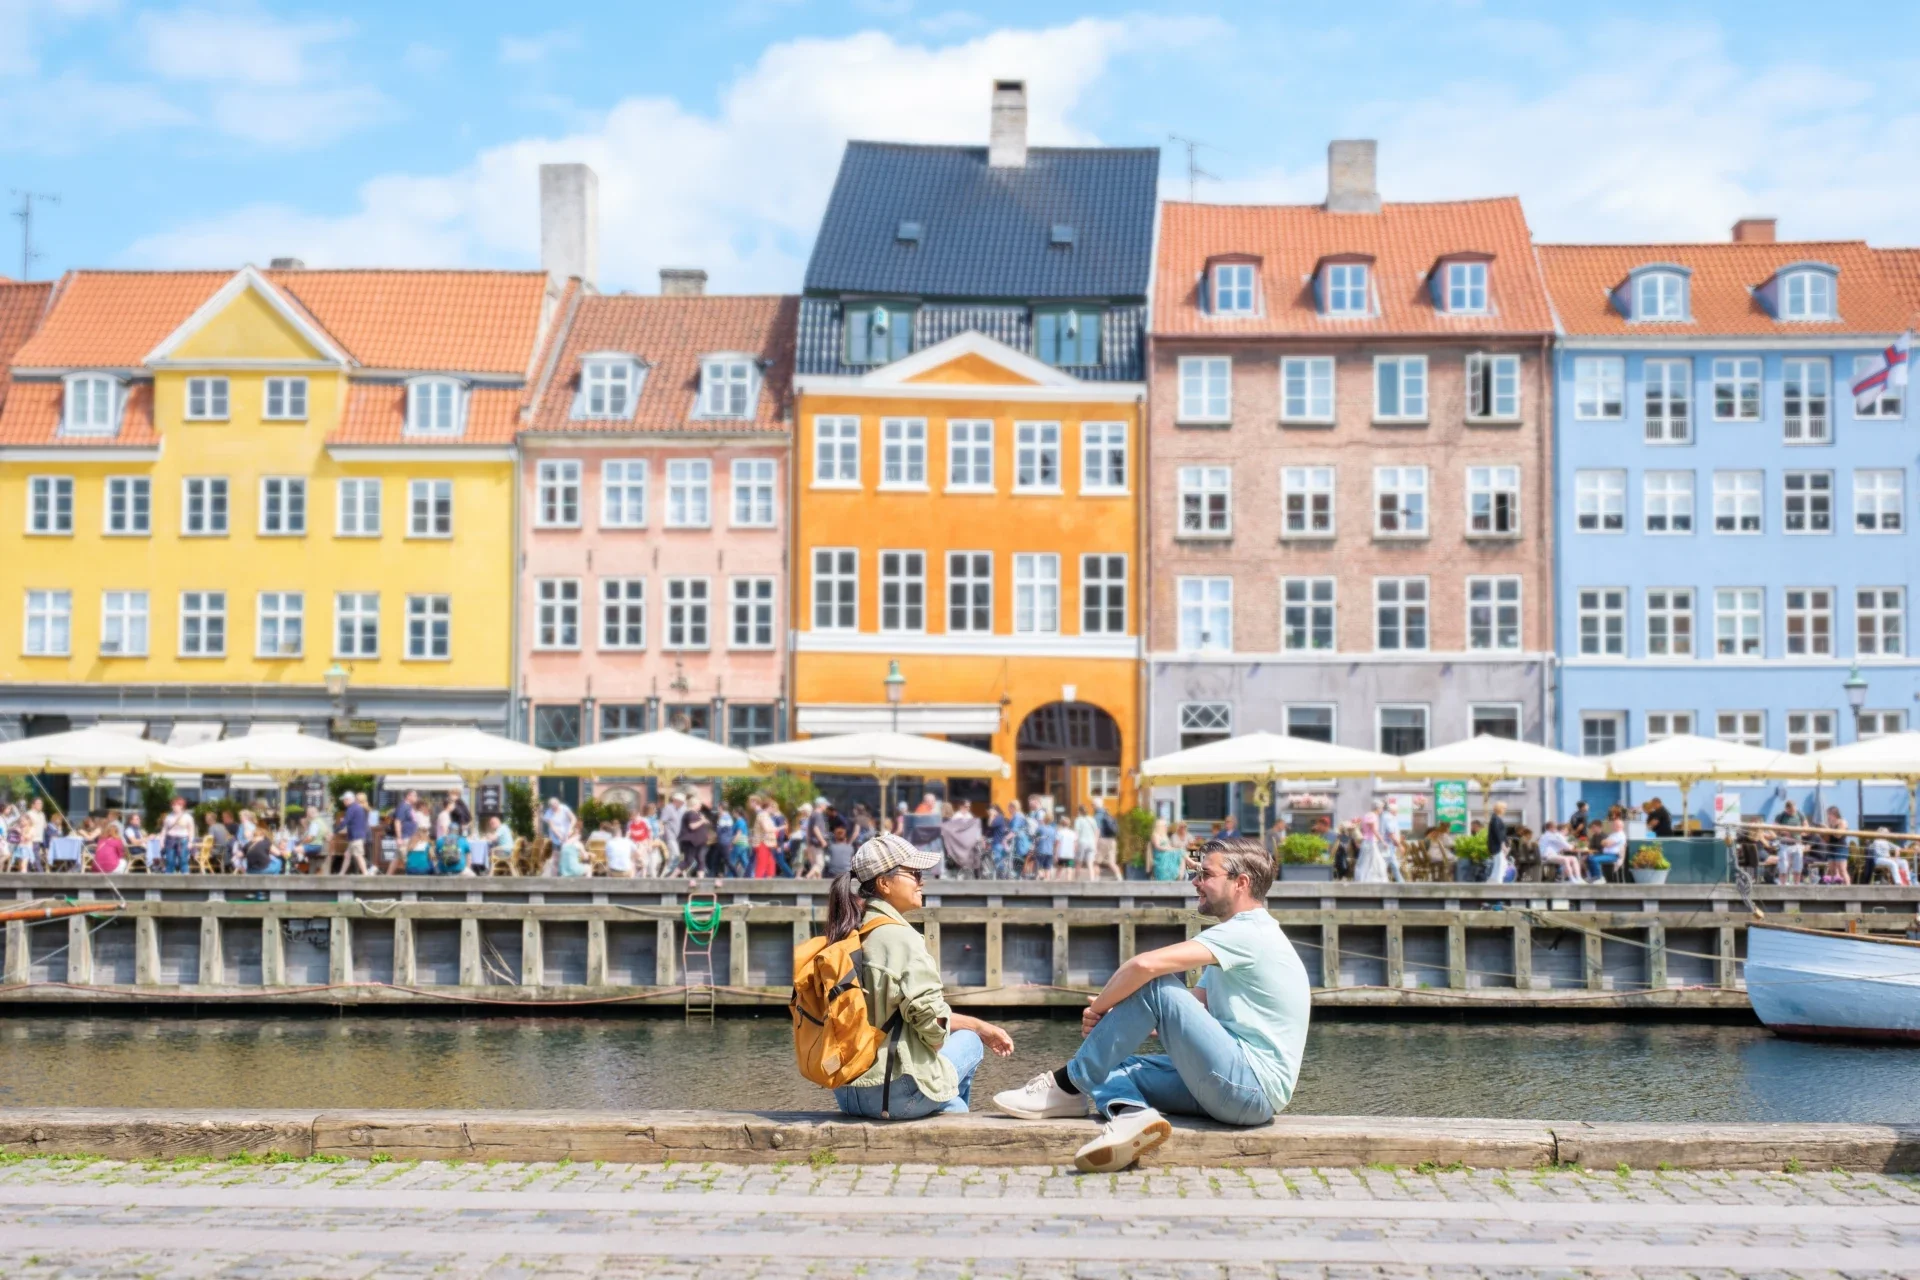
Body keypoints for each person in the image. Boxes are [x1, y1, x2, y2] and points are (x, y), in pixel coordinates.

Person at [993, 839, 1311, 1172]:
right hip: (1231, 1088)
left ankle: (1065, 1086)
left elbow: (1144, 966)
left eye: (1206, 874)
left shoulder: (1248, 932)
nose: (1196, 882)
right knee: (1110, 1062)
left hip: (1248, 1089)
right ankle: (1131, 1116)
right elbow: (1189, 1009)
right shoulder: (1240, 937)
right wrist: (1118, 1018)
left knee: (1156, 983)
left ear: (1241, 883)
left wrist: (1099, 1008)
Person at [822, 832, 1014, 1118]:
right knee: (970, 1043)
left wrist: (977, 1024)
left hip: (846, 1091)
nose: (922, 881)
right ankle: (949, 1108)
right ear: (884, 883)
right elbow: (933, 1023)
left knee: (955, 1099)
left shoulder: (847, 931)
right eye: (914, 874)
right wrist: (949, 1036)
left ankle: (951, 1108)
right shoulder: (901, 938)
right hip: (891, 1095)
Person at [160, 796, 196, 875]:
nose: (174, 807)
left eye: (176, 805)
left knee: (183, 861)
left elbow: (191, 830)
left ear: (181, 806)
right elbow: (164, 830)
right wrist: (161, 841)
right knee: (170, 861)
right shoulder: (168, 817)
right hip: (170, 840)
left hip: (183, 840)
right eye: (173, 805)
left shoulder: (188, 817)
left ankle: (186, 879)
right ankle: (168, 880)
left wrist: (190, 842)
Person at [339, 791, 371, 875]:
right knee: (347, 855)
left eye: (356, 799)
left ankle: (366, 874)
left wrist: (336, 830)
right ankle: (341, 873)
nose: (343, 802)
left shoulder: (354, 808)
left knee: (359, 855)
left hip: (356, 836)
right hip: (359, 835)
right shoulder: (362, 809)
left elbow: (347, 821)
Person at [1587, 818, 1628, 882]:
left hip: (1613, 856)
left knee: (1594, 859)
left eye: (1614, 825)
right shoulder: (1613, 834)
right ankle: (1593, 877)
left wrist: (1605, 842)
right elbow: (1602, 843)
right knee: (1589, 858)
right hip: (1606, 854)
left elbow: (1608, 843)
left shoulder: (1620, 835)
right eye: (1613, 824)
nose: (1612, 826)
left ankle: (1599, 878)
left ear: (1619, 826)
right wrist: (1605, 842)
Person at [1073, 806, 1102, 882]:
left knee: (1079, 862)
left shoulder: (1078, 820)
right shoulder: (1092, 819)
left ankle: (1076, 879)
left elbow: (1076, 833)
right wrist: (1095, 842)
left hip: (1082, 842)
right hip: (1092, 843)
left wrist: (1075, 844)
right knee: (1090, 863)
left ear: (1079, 811)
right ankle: (1092, 879)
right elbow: (1097, 831)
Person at [1149, 817, 1183, 881]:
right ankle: (1182, 872)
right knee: (1180, 852)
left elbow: (1169, 846)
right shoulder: (1155, 835)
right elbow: (1157, 847)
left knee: (1181, 851)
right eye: (1165, 826)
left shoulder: (1164, 836)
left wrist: (1173, 849)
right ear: (1160, 827)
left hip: (1166, 853)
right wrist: (1168, 849)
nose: (1166, 827)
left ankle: (1180, 873)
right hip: (1160, 855)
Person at [1053, 812, 1078, 881]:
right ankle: (1069, 881)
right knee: (1069, 868)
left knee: (1059, 868)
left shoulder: (1059, 832)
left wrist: (1055, 854)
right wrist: (1074, 853)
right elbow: (1075, 844)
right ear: (1069, 824)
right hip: (1070, 855)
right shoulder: (1073, 833)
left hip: (1061, 854)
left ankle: (1057, 880)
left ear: (1061, 823)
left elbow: (1057, 844)